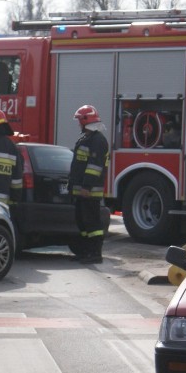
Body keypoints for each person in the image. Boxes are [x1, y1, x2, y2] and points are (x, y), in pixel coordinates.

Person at [69, 104, 110, 264]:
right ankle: (86, 252)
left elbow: (94, 167)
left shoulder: (98, 140)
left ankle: (95, 254)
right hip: (81, 191)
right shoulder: (87, 138)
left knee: (93, 224)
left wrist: (86, 187)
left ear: (86, 120)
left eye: (80, 120)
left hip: (90, 191)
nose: (78, 123)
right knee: (82, 222)